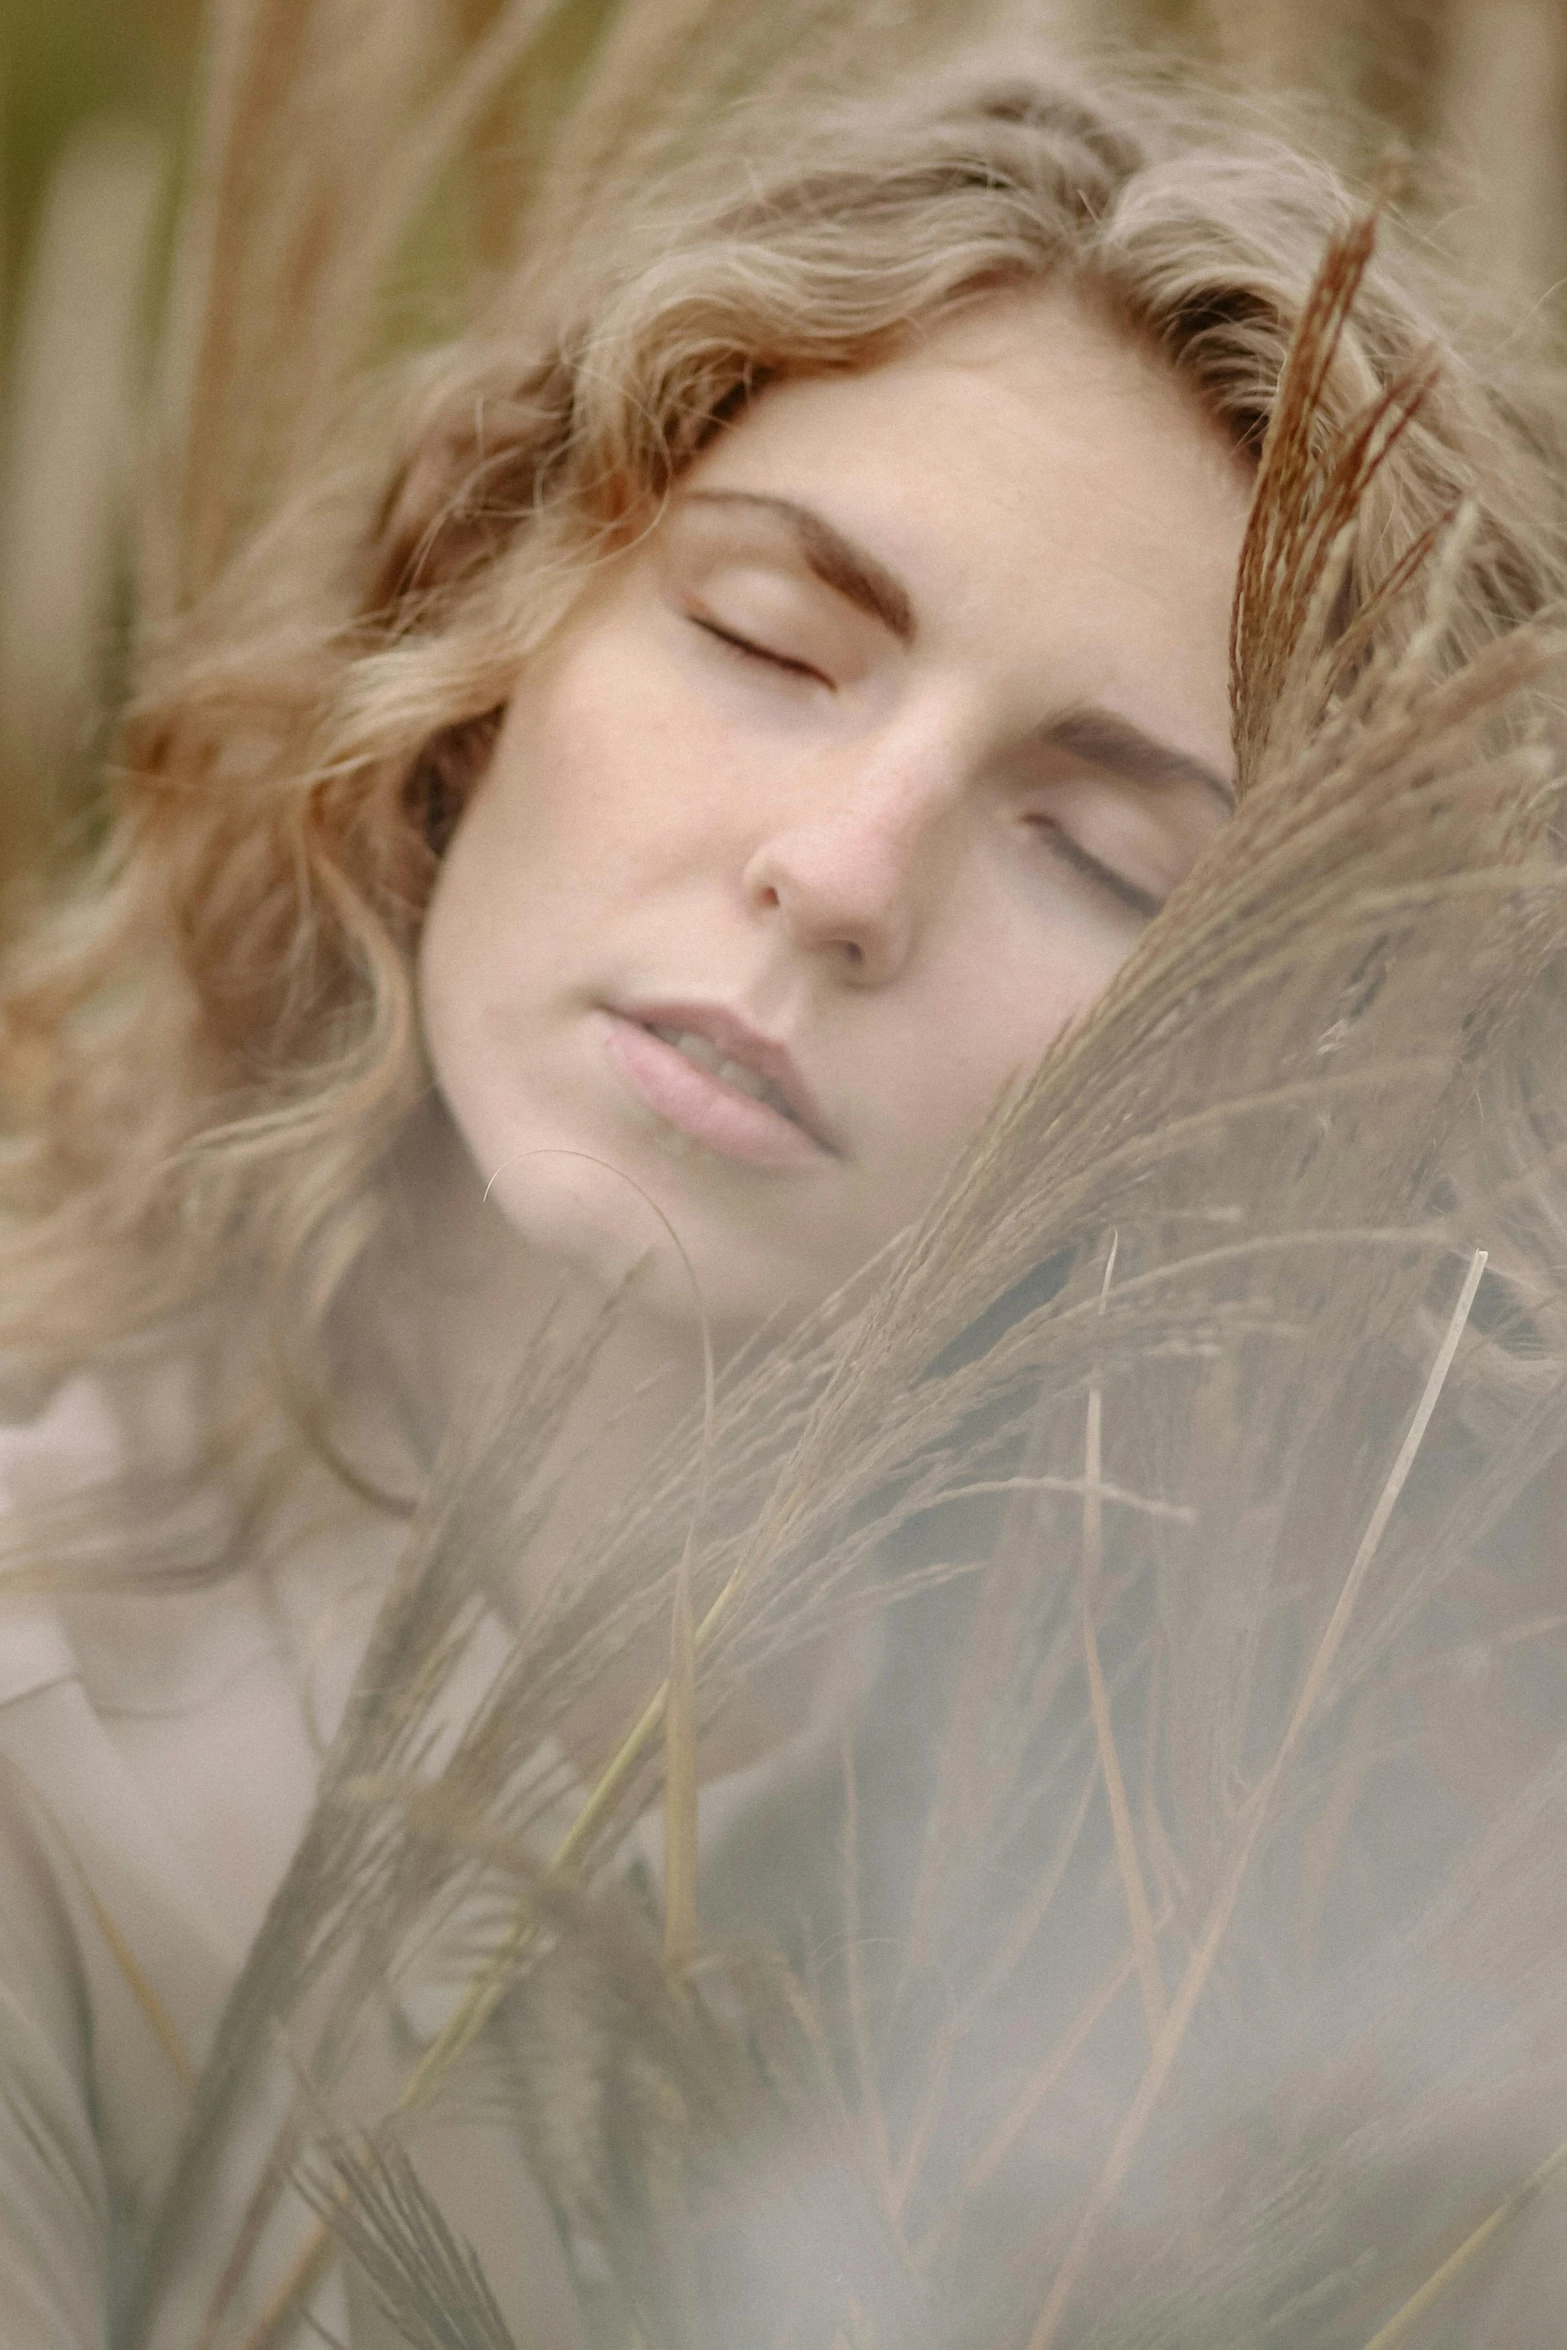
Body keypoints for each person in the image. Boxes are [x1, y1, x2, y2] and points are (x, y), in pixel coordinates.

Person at [2, 14, 1564, 2348]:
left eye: (1104, 848)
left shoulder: (1336, 1908)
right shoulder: (48, 1705)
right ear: (488, 637)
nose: (844, 872)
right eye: (770, 638)